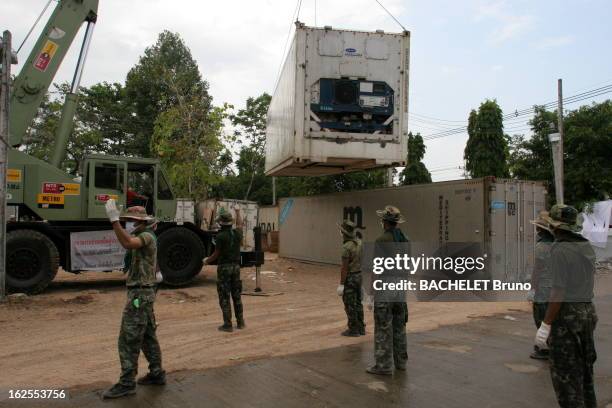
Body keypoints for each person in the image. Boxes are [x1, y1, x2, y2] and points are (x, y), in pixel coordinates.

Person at [535, 204, 598, 408]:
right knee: (585, 372)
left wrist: (545, 325)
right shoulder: (586, 246)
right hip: (587, 312)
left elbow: (558, 292)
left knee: (566, 378)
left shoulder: (559, 250)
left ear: (555, 226)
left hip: (568, 319)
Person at [102, 200, 165, 399]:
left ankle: (127, 382)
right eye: (126, 220)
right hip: (144, 293)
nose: (129, 223)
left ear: (140, 221)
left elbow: (128, 243)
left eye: (130, 220)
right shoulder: (143, 234)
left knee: (128, 339)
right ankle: (156, 373)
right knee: (147, 336)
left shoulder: (145, 235)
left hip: (140, 294)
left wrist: (114, 221)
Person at [366, 205, 409, 376]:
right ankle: (401, 363)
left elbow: (376, 269)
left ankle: (383, 365)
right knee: (400, 326)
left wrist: (370, 294)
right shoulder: (406, 239)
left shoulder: (381, 241)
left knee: (383, 326)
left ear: (384, 221)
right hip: (400, 288)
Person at [204, 207, 245, 332]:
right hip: (236, 267)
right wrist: (238, 212)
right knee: (236, 295)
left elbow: (216, 254)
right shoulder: (237, 233)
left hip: (224, 268)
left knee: (224, 296)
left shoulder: (221, 236)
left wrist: (206, 260)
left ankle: (227, 324)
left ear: (221, 223)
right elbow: (240, 224)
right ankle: (240, 322)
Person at [528, 211, 554, 360]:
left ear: (542, 230)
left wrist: (532, 289)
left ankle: (545, 348)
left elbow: (537, 270)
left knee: (541, 318)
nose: (536, 229)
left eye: (538, 227)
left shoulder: (542, 247)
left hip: (543, 290)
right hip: (556, 289)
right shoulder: (558, 244)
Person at [337, 219, 365, 337]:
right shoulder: (359, 243)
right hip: (359, 275)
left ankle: (353, 329)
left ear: (344, 233)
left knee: (349, 304)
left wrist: (342, 284)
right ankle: (361, 328)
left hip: (350, 277)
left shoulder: (346, 247)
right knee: (358, 302)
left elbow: (344, 268)